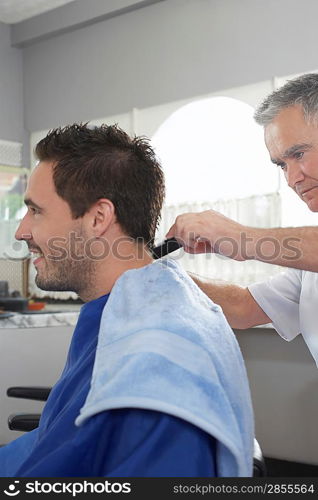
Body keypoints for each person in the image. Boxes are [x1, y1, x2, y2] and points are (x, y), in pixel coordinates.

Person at [0, 124, 253, 477]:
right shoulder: (126, 308)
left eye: (36, 211)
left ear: (98, 218)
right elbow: (51, 442)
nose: (21, 231)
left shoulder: (154, 369)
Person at [166, 72, 318, 367]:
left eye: (298, 154)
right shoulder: (308, 268)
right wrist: (149, 272)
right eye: (281, 165)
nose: (292, 179)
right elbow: (244, 308)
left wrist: (242, 238)